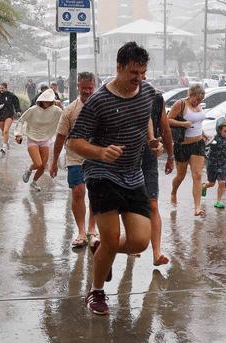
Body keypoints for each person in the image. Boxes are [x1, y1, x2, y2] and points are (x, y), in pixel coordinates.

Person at [68, 42, 157, 316]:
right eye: (133, 72)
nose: (139, 79)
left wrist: (152, 141)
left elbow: (144, 119)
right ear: (119, 67)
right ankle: (96, 292)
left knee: (140, 241)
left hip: (133, 174)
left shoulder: (148, 92)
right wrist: (101, 152)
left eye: (142, 72)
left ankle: (100, 251)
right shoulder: (99, 101)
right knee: (111, 236)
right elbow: (75, 142)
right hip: (101, 173)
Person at [50, 72, 100, 248]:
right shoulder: (70, 110)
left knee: (95, 192)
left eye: (90, 88)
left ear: (94, 86)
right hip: (75, 157)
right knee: (78, 192)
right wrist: (54, 161)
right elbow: (60, 137)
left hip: (97, 156)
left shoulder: (102, 106)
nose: (87, 91)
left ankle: (92, 228)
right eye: (84, 88)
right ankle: (81, 231)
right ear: (78, 86)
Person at [141, 90, 174, 265]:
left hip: (149, 159)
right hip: (126, 158)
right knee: (130, 205)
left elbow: (165, 128)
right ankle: (132, 243)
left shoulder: (157, 99)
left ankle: (156, 253)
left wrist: (170, 156)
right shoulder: (123, 97)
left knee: (153, 203)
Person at [168, 83, 209, 216]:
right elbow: (167, 120)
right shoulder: (181, 104)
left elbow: (196, 122)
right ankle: (174, 192)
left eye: (200, 100)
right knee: (180, 176)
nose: (198, 102)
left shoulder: (199, 106)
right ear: (190, 95)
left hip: (198, 144)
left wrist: (203, 133)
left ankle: (197, 208)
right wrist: (182, 124)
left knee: (197, 175)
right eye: (196, 99)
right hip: (182, 146)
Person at [14, 89, 63, 191]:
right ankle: (29, 170)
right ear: (41, 100)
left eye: (49, 101)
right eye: (45, 100)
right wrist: (18, 134)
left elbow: (66, 119)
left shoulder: (57, 111)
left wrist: (61, 106)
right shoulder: (33, 109)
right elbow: (21, 120)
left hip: (45, 139)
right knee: (38, 163)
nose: (47, 103)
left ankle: (34, 182)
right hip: (32, 138)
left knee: (43, 166)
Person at [0, 82, 21, 154]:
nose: (1, 90)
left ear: (6, 88)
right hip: (0, 115)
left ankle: (3, 148)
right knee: (3, 132)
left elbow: (16, 103)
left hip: (9, 115)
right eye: (0, 88)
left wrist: (18, 111)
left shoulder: (11, 95)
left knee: (6, 131)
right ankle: (7, 141)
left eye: (2, 88)